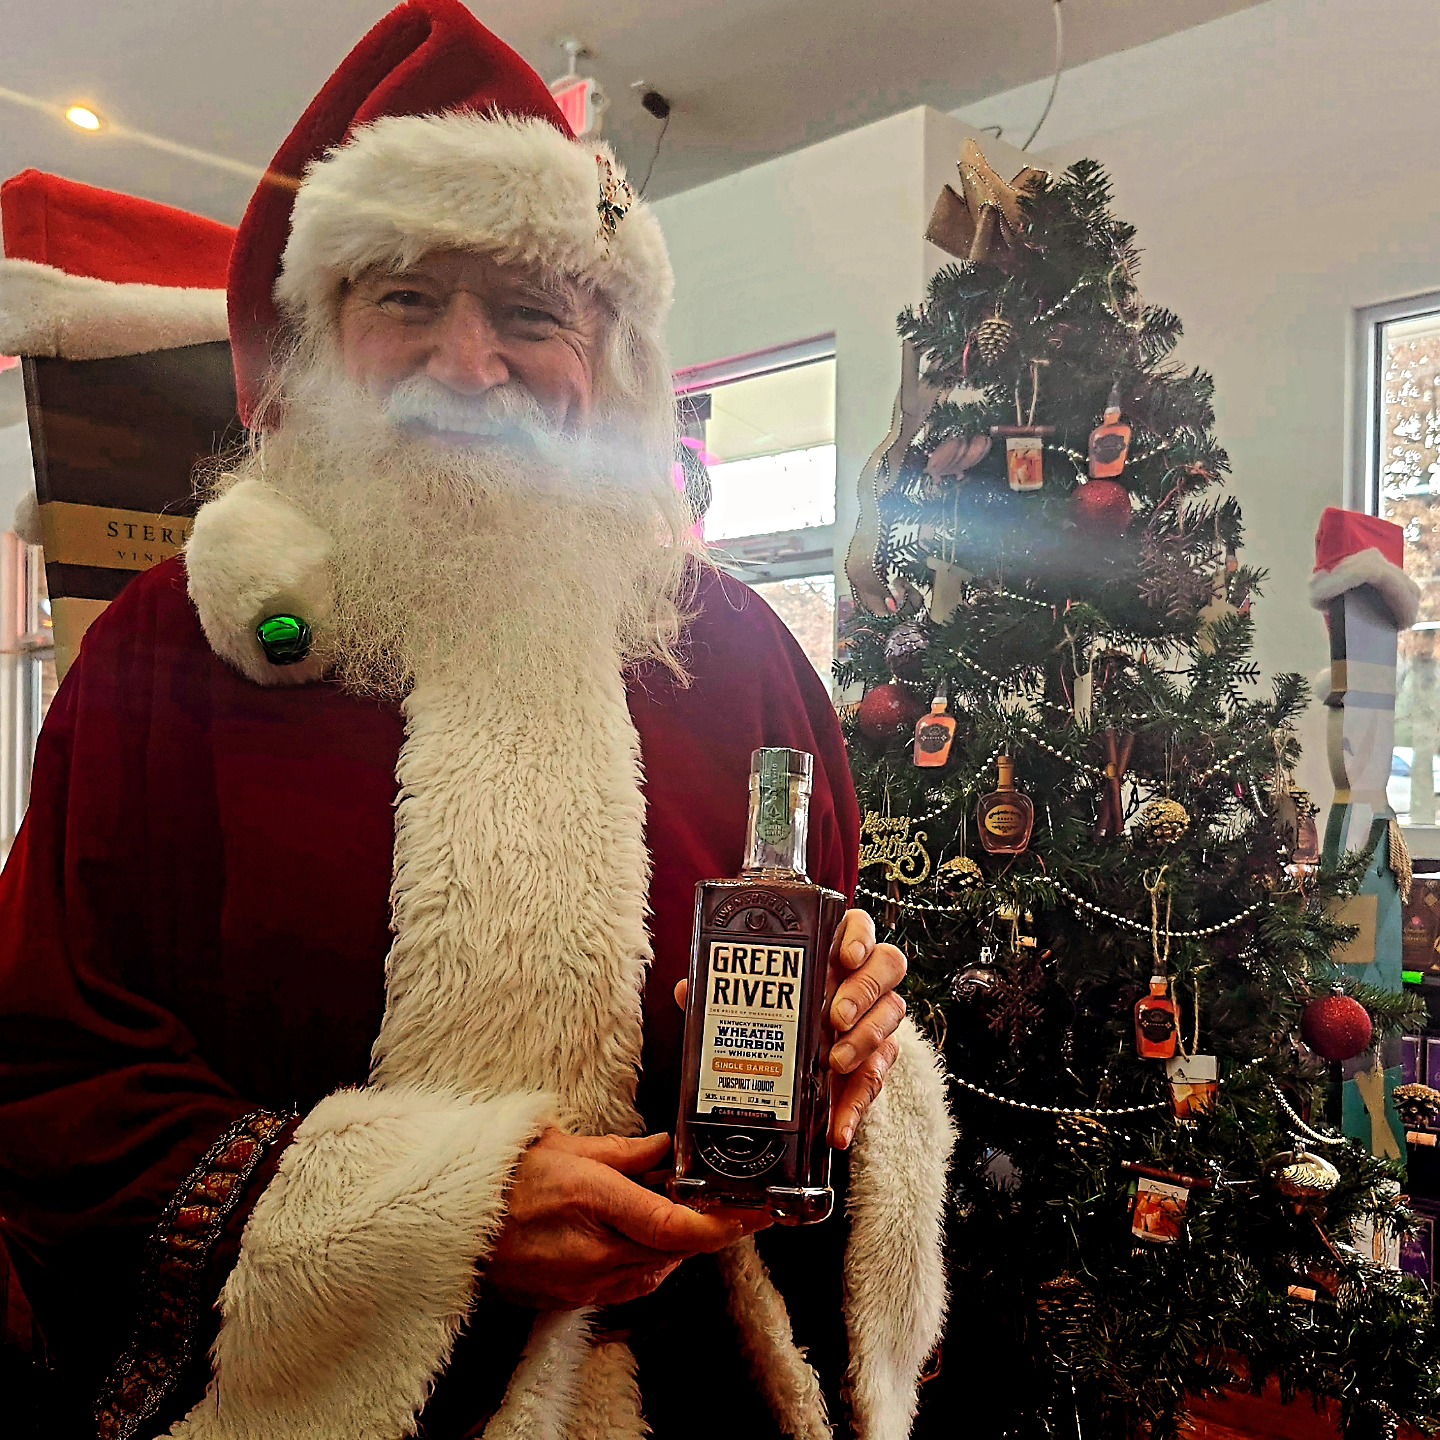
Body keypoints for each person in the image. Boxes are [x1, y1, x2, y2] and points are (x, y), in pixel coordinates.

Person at [0, 3, 954, 1437]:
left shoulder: (743, 657)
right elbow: (48, 1076)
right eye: (405, 301)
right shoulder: (162, 658)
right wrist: (439, 1217)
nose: (468, 363)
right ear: (321, 336)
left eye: (529, 313)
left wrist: (848, 1067)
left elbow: (820, 1004)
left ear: (608, 358)